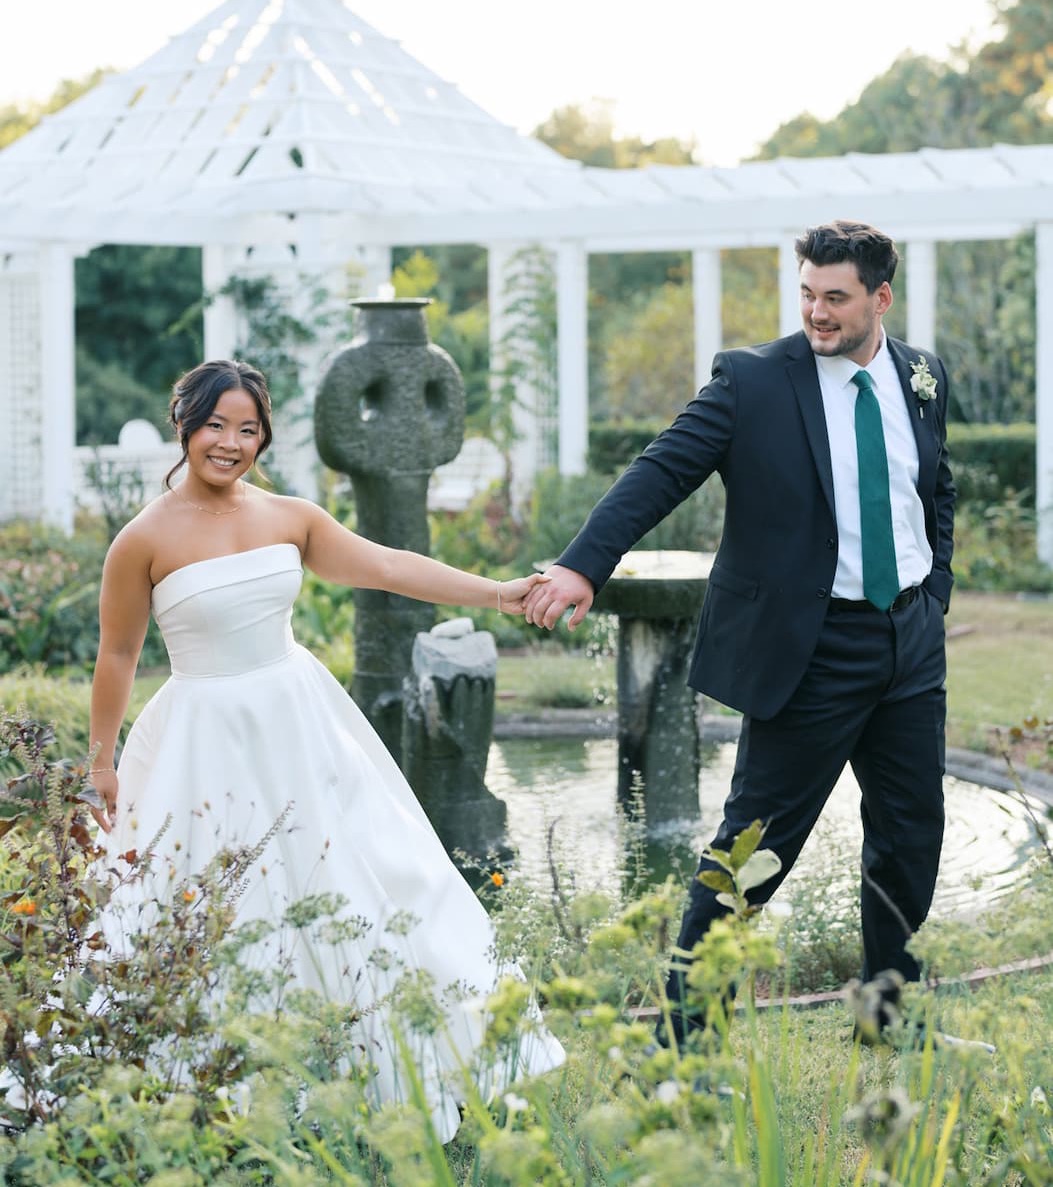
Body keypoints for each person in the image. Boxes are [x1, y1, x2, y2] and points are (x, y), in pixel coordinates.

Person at [88, 358, 564, 1140]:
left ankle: (392, 1073)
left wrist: (498, 591)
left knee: (365, 878)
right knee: (218, 903)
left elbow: (388, 567)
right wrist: (101, 763)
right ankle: (216, 1102)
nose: (231, 443)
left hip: (301, 724)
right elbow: (117, 657)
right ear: (185, 424)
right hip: (205, 740)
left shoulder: (289, 516)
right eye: (217, 425)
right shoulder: (141, 540)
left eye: (248, 429)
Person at [524, 220, 954, 1044]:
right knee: (751, 851)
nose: (816, 313)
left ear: (879, 299)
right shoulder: (754, 381)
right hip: (811, 649)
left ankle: (886, 1016)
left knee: (909, 838)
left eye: (835, 297)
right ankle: (680, 1040)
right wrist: (584, 564)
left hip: (908, 643)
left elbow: (932, 490)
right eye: (805, 294)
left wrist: (933, 589)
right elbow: (661, 469)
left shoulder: (924, 375)